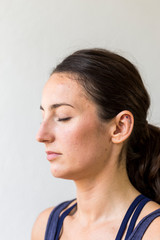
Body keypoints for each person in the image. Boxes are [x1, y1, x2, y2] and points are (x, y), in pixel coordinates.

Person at [31, 48, 160, 240]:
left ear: (119, 128)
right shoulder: (46, 226)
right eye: (43, 117)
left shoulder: (153, 232)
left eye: (63, 117)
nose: (41, 136)